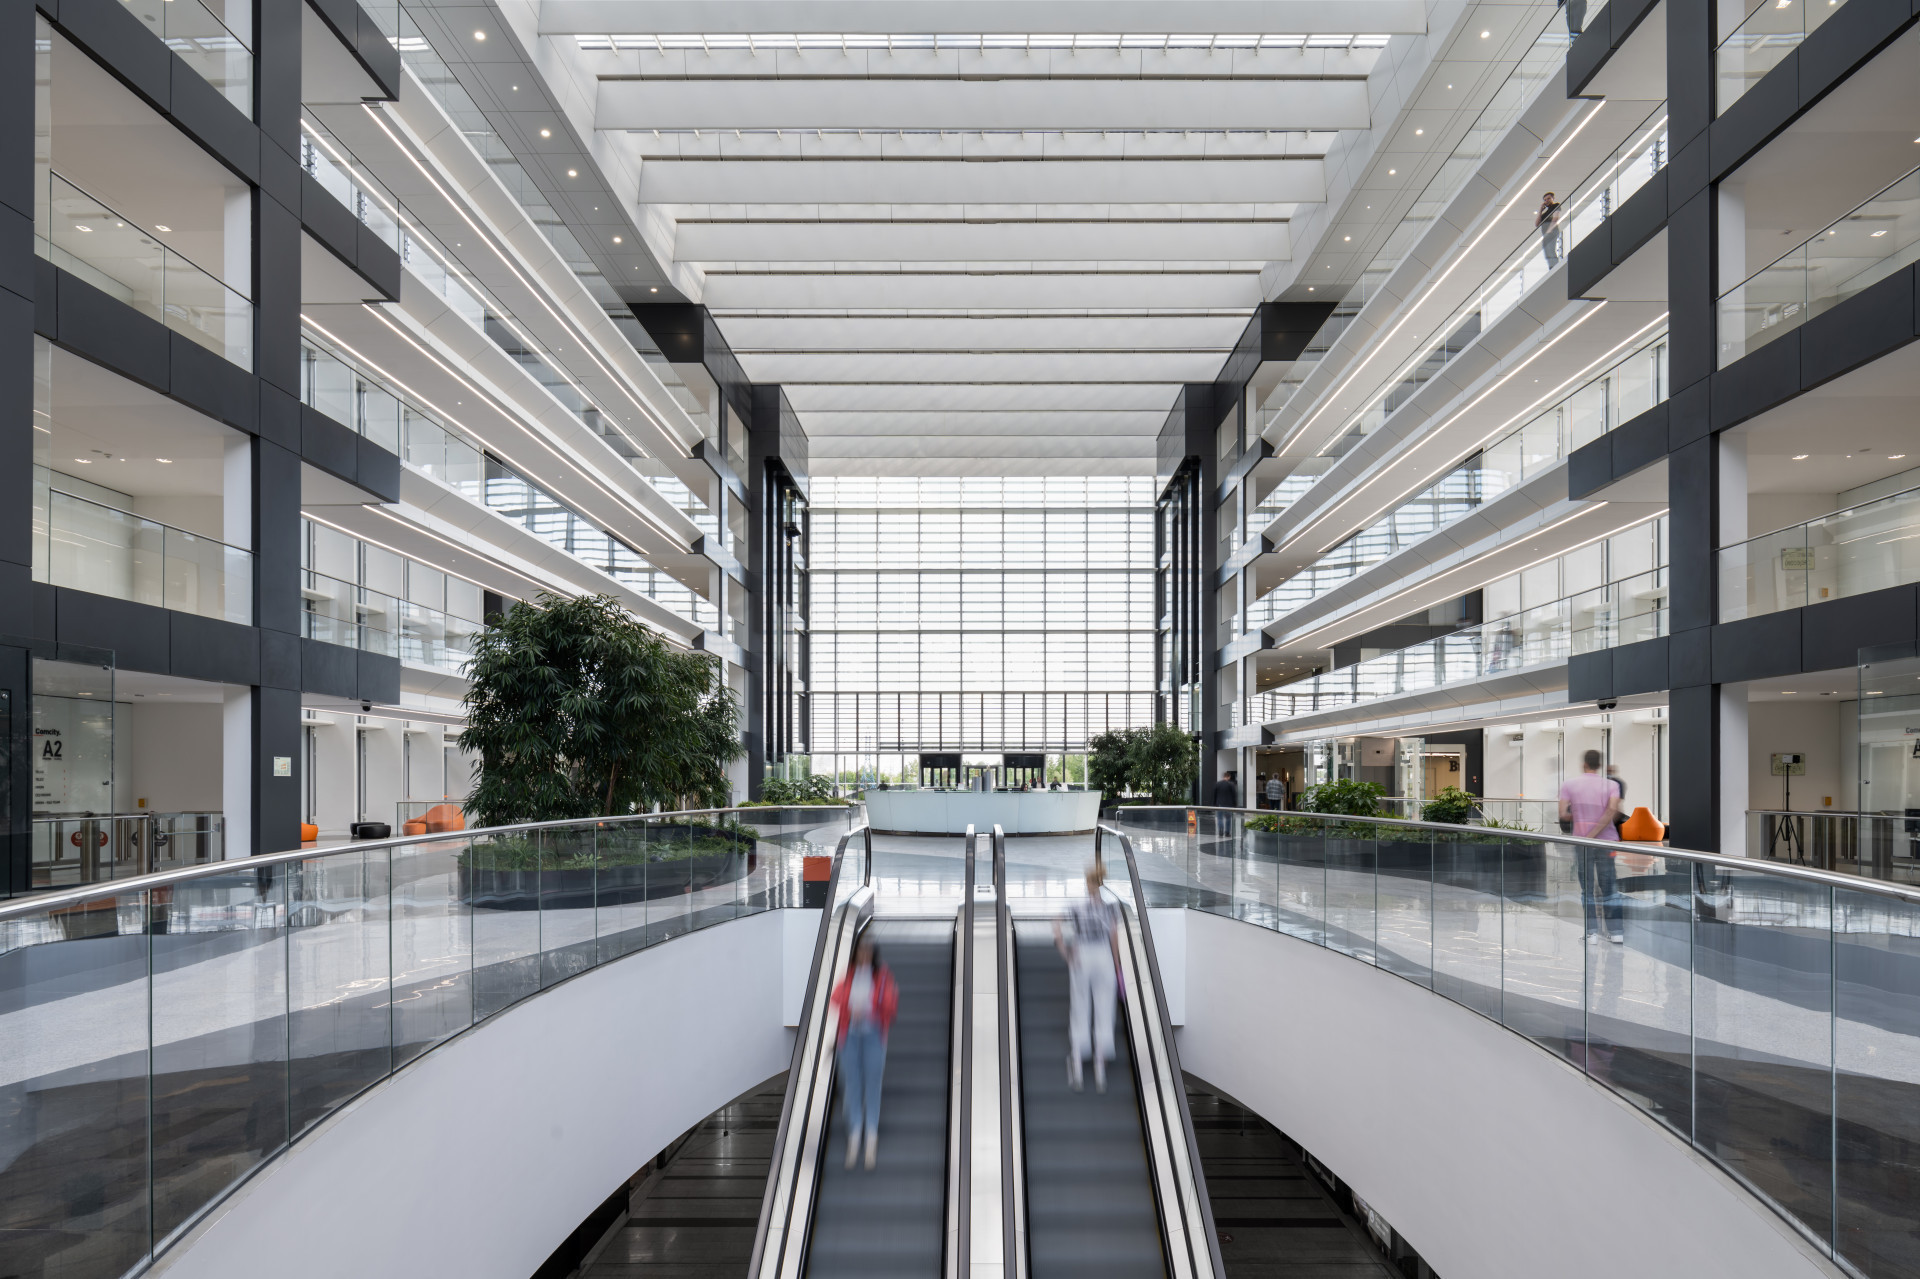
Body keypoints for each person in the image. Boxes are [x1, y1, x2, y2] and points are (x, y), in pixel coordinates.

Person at [828, 937, 898, 1169]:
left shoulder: (882, 975)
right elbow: (835, 997)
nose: (864, 956)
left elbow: (891, 1003)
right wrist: (850, 1008)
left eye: (868, 952)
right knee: (853, 1084)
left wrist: (872, 1007)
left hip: (873, 1035)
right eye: (860, 952)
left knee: (872, 1083)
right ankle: (855, 1133)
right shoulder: (849, 974)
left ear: (874, 954)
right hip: (849, 1036)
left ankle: (871, 1134)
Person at [1054, 865, 1121, 1093]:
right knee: (1105, 1007)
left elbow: (1057, 927)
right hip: (1103, 955)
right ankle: (1100, 1063)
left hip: (1082, 953)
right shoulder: (1111, 907)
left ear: (1087, 882)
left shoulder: (1076, 905)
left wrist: (1066, 952)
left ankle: (1077, 1059)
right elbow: (1114, 936)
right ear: (1101, 883)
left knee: (1080, 1005)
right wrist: (1116, 965)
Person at [1560, 749, 1624, 944]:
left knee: (1587, 888)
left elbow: (1563, 814)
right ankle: (1616, 932)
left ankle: (1592, 933)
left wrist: (1581, 818)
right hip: (1607, 841)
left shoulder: (1569, 784)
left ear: (1584, 764)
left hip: (1582, 842)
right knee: (1609, 886)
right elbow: (1613, 810)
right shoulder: (1612, 785)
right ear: (1599, 765)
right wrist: (1597, 829)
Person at [1537, 192, 1563, 269]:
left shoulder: (1556, 205)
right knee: (1547, 251)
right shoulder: (1545, 214)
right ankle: (1551, 267)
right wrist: (1540, 210)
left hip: (1552, 231)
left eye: (1548, 198)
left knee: (1550, 249)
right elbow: (1537, 224)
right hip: (1546, 234)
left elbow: (1555, 218)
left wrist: (1549, 230)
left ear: (1553, 198)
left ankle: (1555, 267)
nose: (1546, 201)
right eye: (1545, 200)